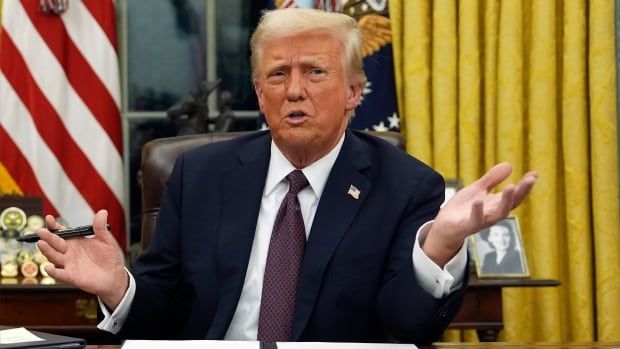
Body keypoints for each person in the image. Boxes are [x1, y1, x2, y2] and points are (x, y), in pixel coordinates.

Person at [35, 8, 537, 345]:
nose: (294, 90)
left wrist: (438, 248)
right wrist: (118, 288)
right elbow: (165, 313)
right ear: (258, 92)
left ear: (354, 93)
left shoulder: (407, 187)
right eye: (278, 75)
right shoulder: (201, 175)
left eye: (315, 72)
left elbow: (407, 329)